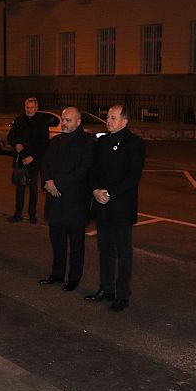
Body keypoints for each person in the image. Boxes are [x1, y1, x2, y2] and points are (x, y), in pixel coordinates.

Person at [85, 105, 145, 311]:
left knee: (123, 252)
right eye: (107, 117)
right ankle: (106, 288)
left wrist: (110, 193)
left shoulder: (134, 144)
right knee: (105, 250)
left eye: (112, 117)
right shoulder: (102, 142)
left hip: (121, 207)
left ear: (124, 121)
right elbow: (92, 170)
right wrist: (94, 190)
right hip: (102, 207)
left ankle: (122, 294)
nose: (108, 121)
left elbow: (133, 177)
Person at [39, 107, 93, 291]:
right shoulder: (56, 141)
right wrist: (47, 181)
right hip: (55, 201)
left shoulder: (87, 143)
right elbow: (44, 163)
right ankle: (57, 274)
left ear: (78, 122)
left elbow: (82, 171)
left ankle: (74, 278)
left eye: (68, 120)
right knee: (57, 241)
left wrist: (58, 184)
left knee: (76, 244)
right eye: (63, 119)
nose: (64, 123)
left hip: (74, 202)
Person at [7, 97, 49, 224]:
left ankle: (32, 215)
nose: (29, 110)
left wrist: (33, 157)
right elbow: (11, 136)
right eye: (27, 107)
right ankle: (17, 214)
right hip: (21, 159)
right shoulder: (19, 120)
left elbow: (44, 143)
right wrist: (16, 145)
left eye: (31, 107)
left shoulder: (42, 122)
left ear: (37, 108)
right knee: (19, 188)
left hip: (34, 161)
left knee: (32, 189)